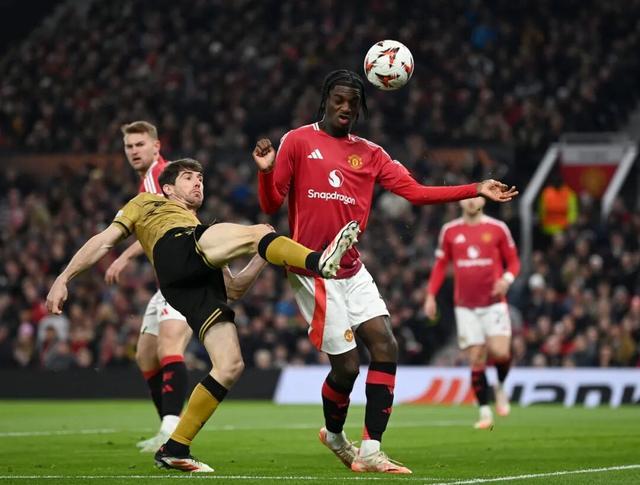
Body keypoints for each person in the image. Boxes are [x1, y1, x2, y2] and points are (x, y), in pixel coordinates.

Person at [253, 69, 517, 474]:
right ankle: (335, 435)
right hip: (312, 268)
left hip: (351, 267)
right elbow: (271, 204)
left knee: (386, 345)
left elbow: (416, 192)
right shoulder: (298, 141)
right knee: (347, 368)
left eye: (353, 102)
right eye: (339, 100)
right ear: (325, 100)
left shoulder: (371, 153)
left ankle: (371, 449)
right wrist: (265, 171)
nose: (346, 107)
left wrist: (475, 188)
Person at [46, 158, 360, 472]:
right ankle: (319, 262)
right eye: (188, 177)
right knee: (255, 233)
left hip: (190, 286)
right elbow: (104, 241)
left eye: (200, 178)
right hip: (174, 247)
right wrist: (63, 278)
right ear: (168, 188)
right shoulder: (147, 203)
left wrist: (262, 255)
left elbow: (233, 289)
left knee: (229, 366)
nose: (198, 182)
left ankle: (175, 448)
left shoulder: (205, 236)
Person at [105, 121, 192, 452]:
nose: (133, 151)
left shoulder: (161, 177)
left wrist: (122, 257)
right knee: (145, 356)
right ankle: (166, 427)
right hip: (166, 282)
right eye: (129, 146)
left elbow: (164, 226)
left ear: (156, 146)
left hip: (184, 277)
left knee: (169, 345)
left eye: (140, 144)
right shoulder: (149, 181)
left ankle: (172, 433)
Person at [424, 195, 520, 429]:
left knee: (500, 352)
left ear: (484, 202)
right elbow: (440, 265)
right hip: (465, 306)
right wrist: (430, 295)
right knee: (476, 358)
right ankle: (484, 413)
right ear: (460, 202)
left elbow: (514, 262)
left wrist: (506, 280)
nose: (471, 202)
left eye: (476, 198)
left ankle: (500, 386)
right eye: (467, 198)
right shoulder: (449, 231)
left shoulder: (497, 228)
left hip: (494, 303)